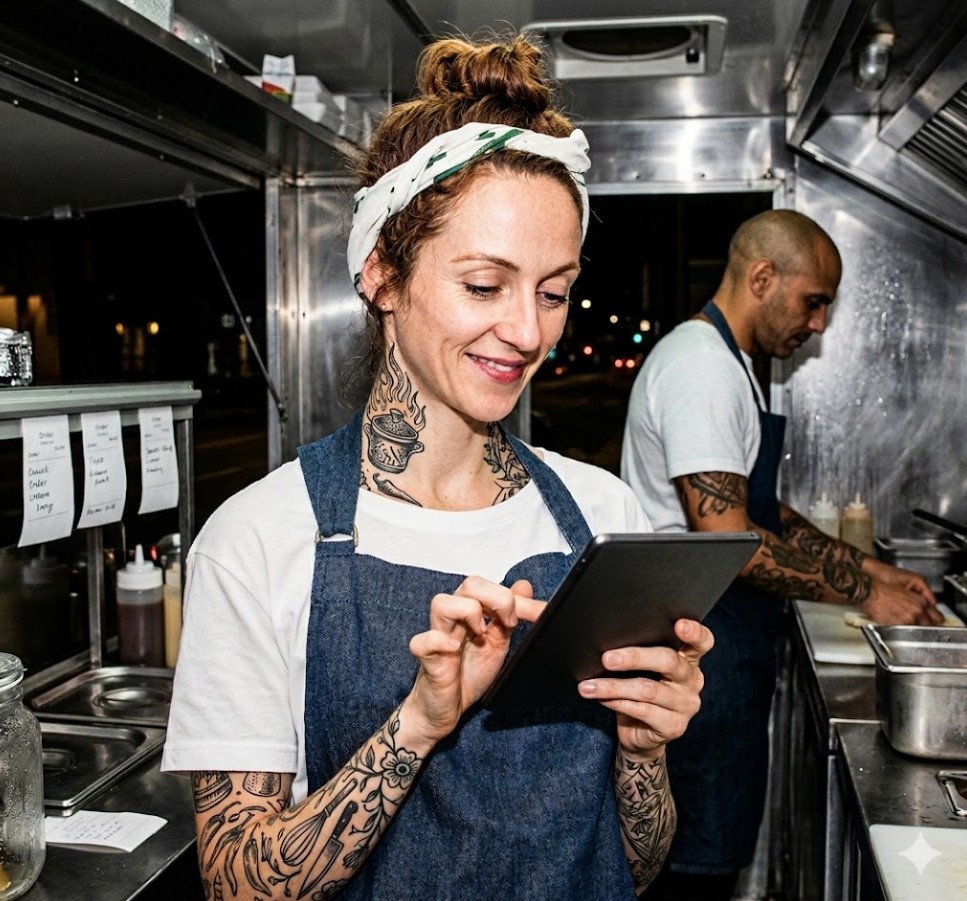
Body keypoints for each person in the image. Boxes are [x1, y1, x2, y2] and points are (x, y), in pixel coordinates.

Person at [162, 34, 715, 901]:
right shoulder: (261, 538)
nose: (528, 332)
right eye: (484, 284)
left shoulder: (602, 515)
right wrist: (418, 723)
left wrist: (644, 752)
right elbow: (237, 882)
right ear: (382, 273)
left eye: (552, 289)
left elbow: (633, 863)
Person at [619, 209, 942, 901]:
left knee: (711, 859)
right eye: (813, 301)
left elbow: (766, 513)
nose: (818, 324)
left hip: (721, 641)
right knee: (691, 874)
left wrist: (873, 570)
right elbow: (726, 537)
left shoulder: (733, 363)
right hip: (695, 649)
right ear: (761, 277)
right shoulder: (700, 368)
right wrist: (862, 595)